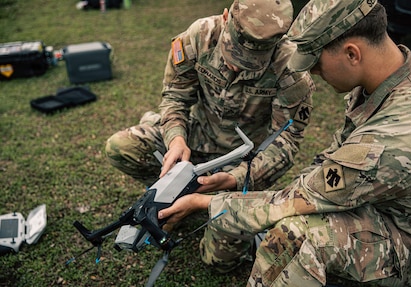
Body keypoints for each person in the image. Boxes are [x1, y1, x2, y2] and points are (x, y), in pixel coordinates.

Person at [158, 0, 411, 286]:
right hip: (381, 208)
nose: (312, 71)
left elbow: (301, 198)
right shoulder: (397, 76)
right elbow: (328, 163)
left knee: (294, 236)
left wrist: (205, 203)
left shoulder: (397, 137)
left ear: (352, 54)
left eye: (316, 62)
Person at [105, 0, 315, 221]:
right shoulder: (199, 36)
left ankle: (198, 201)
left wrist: (236, 178)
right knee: (122, 146)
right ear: (226, 18)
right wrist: (176, 138)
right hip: (197, 137)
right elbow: (175, 95)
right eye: (231, 50)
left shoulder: (292, 70)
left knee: (226, 236)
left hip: (242, 161)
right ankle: (173, 194)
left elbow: (284, 143)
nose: (237, 65)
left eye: (252, 61)